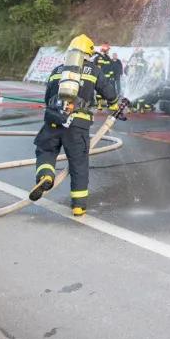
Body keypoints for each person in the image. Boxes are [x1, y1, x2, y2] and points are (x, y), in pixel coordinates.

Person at [28, 34, 117, 217]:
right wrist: (115, 104)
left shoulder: (57, 70)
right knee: (78, 162)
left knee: (46, 151)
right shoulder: (93, 70)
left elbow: (47, 99)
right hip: (77, 124)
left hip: (53, 119)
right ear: (87, 54)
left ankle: (46, 175)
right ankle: (78, 205)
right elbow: (108, 92)